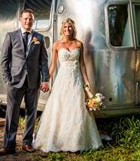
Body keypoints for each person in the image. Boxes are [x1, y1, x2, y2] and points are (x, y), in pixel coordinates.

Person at [33, 18, 102, 152]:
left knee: (76, 108)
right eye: (65, 27)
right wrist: (46, 79)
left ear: (73, 29)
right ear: (62, 29)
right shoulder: (57, 45)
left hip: (76, 80)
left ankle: (76, 141)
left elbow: (82, 64)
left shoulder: (79, 44)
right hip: (62, 80)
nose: (67, 29)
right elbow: (53, 65)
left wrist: (86, 82)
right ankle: (58, 140)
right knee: (60, 107)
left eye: (69, 27)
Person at [0, 8, 50, 156]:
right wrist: (8, 79)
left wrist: (45, 79)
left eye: (30, 19)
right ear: (20, 20)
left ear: (33, 20)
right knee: (11, 113)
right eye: (25, 18)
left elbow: (43, 61)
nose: (28, 21)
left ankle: (27, 143)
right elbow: (4, 60)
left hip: (33, 81)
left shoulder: (39, 37)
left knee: (31, 113)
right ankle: (9, 145)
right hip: (15, 81)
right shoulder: (11, 36)